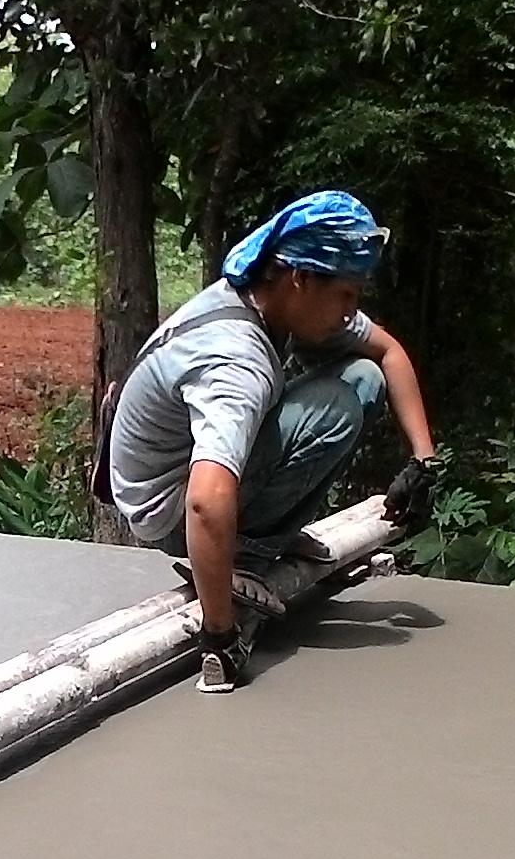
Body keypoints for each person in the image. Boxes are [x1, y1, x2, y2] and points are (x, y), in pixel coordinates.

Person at [102, 190, 440, 692]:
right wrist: (221, 633)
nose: (351, 313)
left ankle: (259, 535)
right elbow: (203, 503)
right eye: (346, 296)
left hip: (180, 483)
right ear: (300, 279)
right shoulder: (237, 363)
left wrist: (423, 461)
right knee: (337, 406)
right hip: (172, 512)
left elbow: (387, 350)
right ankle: (245, 552)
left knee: (364, 376)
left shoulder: (268, 304)